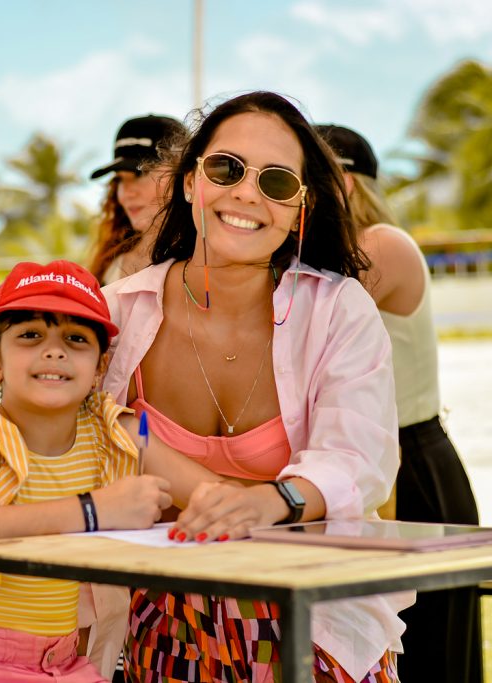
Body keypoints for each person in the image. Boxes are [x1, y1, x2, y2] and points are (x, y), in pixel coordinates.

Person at [101, 91, 411, 682]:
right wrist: (198, 479)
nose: (246, 192)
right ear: (191, 183)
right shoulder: (120, 312)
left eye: (275, 181)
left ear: (302, 207)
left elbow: (361, 458)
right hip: (164, 627)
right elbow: (91, 427)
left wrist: (268, 501)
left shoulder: (338, 309)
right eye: (226, 169)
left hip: (314, 624)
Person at [0, 260, 227, 683]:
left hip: (62, 661)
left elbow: (213, 492)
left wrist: (267, 502)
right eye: (30, 335)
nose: (53, 351)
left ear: (99, 367)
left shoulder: (115, 431)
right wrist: (94, 510)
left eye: (75, 339)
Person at [316, 124, 481, 683]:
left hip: (414, 469)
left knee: (434, 658)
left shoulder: (383, 244)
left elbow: (299, 317)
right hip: (378, 470)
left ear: (342, 180)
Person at [88, 114, 185, 284]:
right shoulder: (112, 264)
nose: (126, 193)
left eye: (141, 173)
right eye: (119, 179)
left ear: (185, 177)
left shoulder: (207, 261)